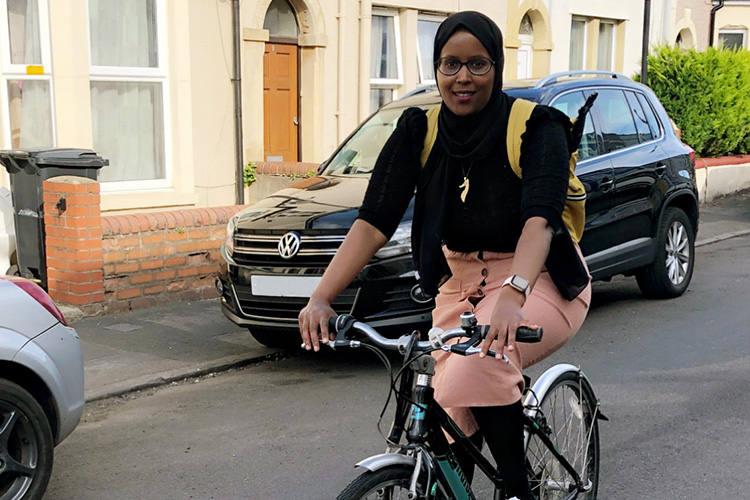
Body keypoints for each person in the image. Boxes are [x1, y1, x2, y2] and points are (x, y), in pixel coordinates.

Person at [299, 11, 591, 500]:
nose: (462, 77)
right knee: (445, 405)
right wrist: (321, 297)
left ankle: (517, 490)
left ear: (496, 66)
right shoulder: (419, 130)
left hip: (537, 277)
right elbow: (372, 222)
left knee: (482, 362)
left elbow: (539, 220)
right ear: (436, 68)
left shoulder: (536, 127)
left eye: (477, 64)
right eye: (450, 64)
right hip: (458, 284)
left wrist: (513, 295)